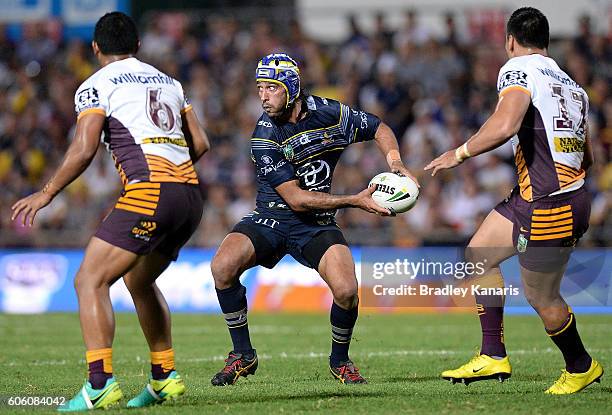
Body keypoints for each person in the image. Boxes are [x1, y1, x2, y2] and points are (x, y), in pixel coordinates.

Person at [11, 12, 210, 410]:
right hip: (189, 197)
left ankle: (99, 383)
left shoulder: (95, 84)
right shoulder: (169, 81)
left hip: (149, 193)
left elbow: (84, 148)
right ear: (137, 46)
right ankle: (164, 377)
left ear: (95, 48)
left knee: (89, 280)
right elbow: (200, 143)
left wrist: (47, 192)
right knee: (138, 282)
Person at [209, 53, 418, 385]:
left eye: (270, 88)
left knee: (347, 290)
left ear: (291, 89)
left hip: (316, 224)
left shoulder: (331, 113)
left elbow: (379, 127)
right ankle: (243, 355)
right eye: (259, 87)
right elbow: (296, 198)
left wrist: (395, 163)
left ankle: (340, 361)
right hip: (271, 218)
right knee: (222, 266)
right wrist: (355, 200)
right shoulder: (264, 135)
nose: (262, 96)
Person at [425, 7, 602, 394]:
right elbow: (587, 156)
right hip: (545, 195)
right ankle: (492, 355)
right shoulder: (573, 87)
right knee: (477, 255)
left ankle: (580, 366)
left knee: (541, 296)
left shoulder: (518, 68)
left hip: (550, 202)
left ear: (510, 40)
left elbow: (505, 125)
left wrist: (458, 154)